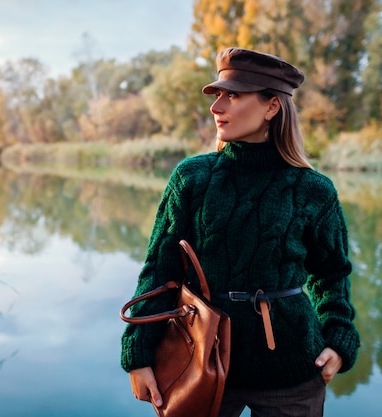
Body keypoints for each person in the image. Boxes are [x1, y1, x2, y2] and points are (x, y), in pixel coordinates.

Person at [120, 47, 360, 417]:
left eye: (233, 95)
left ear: (271, 107)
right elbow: (160, 270)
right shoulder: (192, 178)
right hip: (200, 362)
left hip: (294, 369)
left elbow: (331, 273)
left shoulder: (314, 190)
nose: (217, 107)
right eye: (218, 95)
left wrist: (339, 338)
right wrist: (139, 353)